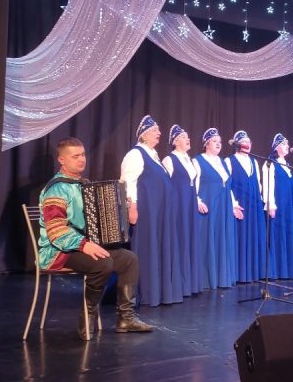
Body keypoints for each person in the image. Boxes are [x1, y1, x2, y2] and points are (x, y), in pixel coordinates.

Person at [38, 137, 153, 340]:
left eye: (83, 154)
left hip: (83, 245)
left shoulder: (85, 184)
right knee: (103, 262)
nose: (81, 159)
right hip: (58, 250)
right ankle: (88, 313)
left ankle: (126, 318)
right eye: (75, 156)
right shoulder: (56, 189)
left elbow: (96, 219)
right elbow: (56, 231)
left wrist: (121, 207)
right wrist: (83, 244)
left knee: (129, 259)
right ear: (62, 160)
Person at [120, 115, 183, 306]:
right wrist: (132, 207)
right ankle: (146, 293)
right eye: (155, 130)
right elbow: (127, 182)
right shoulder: (136, 154)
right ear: (144, 134)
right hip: (147, 212)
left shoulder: (154, 155)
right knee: (147, 247)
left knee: (158, 247)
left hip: (158, 213)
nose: (159, 133)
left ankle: (160, 292)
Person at [193, 128, 244, 289]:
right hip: (209, 207)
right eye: (215, 141)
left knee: (222, 240)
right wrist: (197, 201)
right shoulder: (198, 161)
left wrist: (234, 205)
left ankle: (222, 278)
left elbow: (228, 187)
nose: (218, 144)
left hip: (224, 208)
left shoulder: (223, 162)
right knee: (208, 240)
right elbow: (193, 185)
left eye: (220, 142)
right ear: (206, 143)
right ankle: (206, 280)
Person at [162, 124, 205, 295]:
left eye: (187, 137)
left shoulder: (190, 160)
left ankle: (191, 283)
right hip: (177, 204)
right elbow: (165, 185)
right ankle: (178, 284)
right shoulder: (169, 160)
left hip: (189, 203)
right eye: (183, 137)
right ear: (175, 141)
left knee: (190, 238)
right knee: (179, 238)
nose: (188, 139)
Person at [226, 130, 266, 283]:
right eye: (244, 142)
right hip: (240, 204)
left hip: (254, 205)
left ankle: (254, 273)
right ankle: (240, 274)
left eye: (249, 142)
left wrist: (260, 202)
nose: (248, 144)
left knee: (254, 237)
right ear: (237, 144)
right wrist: (233, 205)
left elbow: (258, 184)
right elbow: (227, 186)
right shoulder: (230, 161)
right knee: (241, 238)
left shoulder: (254, 162)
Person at [262, 133, 293, 280]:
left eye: (287, 144)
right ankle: (278, 270)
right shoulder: (270, 163)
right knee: (277, 234)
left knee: (288, 234)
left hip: (288, 206)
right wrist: (270, 204)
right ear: (277, 147)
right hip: (277, 205)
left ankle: (289, 270)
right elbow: (268, 185)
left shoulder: (287, 164)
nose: (287, 146)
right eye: (284, 144)